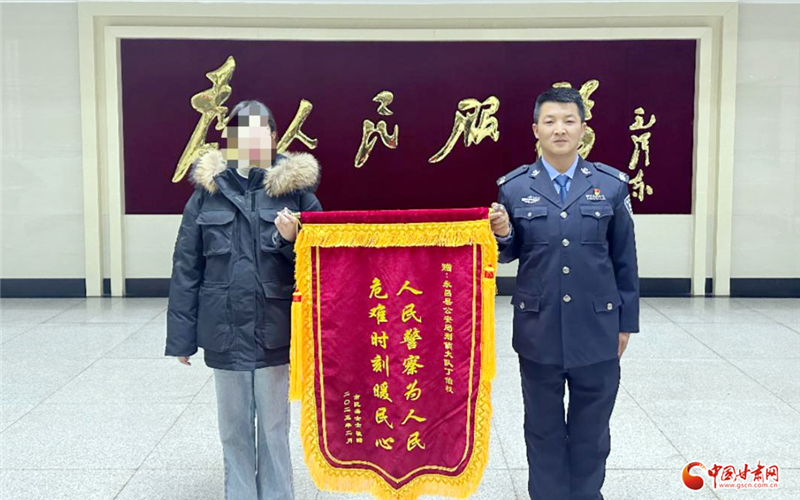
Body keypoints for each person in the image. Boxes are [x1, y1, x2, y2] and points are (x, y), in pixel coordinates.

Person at [165, 100, 322, 500]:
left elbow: (322, 263)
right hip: (224, 329)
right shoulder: (207, 194)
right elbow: (186, 266)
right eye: (241, 133)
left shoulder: (297, 193)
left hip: (275, 330)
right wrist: (181, 338)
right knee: (233, 430)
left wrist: (291, 241)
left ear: (273, 137)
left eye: (259, 132)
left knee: (273, 428)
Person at [490, 87, 639, 500]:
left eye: (569, 121)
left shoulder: (610, 186)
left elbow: (625, 259)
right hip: (538, 329)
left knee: (593, 433)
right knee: (543, 431)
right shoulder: (514, 188)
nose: (560, 129)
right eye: (550, 121)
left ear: (583, 129)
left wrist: (625, 323)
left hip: (597, 328)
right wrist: (502, 233)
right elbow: (510, 252)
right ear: (535, 129)